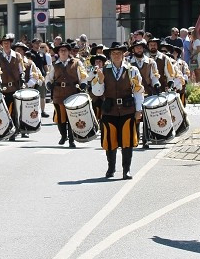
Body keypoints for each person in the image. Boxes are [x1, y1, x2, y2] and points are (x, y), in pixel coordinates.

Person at [91, 43, 145, 179]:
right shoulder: (102, 71)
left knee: (127, 141)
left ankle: (126, 170)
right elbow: (97, 92)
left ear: (123, 55)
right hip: (109, 110)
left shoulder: (132, 70)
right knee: (110, 141)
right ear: (110, 55)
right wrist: (101, 81)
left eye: (119, 53)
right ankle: (111, 168)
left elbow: (138, 91)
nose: (116, 56)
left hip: (127, 110)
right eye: (113, 53)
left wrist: (138, 110)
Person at [47, 42, 88, 147]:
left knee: (71, 117)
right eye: (61, 50)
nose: (63, 52)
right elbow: (49, 77)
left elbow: (83, 75)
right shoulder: (54, 64)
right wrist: (48, 83)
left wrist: (83, 84)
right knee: (60, 118)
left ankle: (71, 139)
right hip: (58, 93)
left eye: (65, 50)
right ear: (59, 53)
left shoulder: (76, 63)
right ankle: (63, 135)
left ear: (69, 52)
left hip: (72, 93)